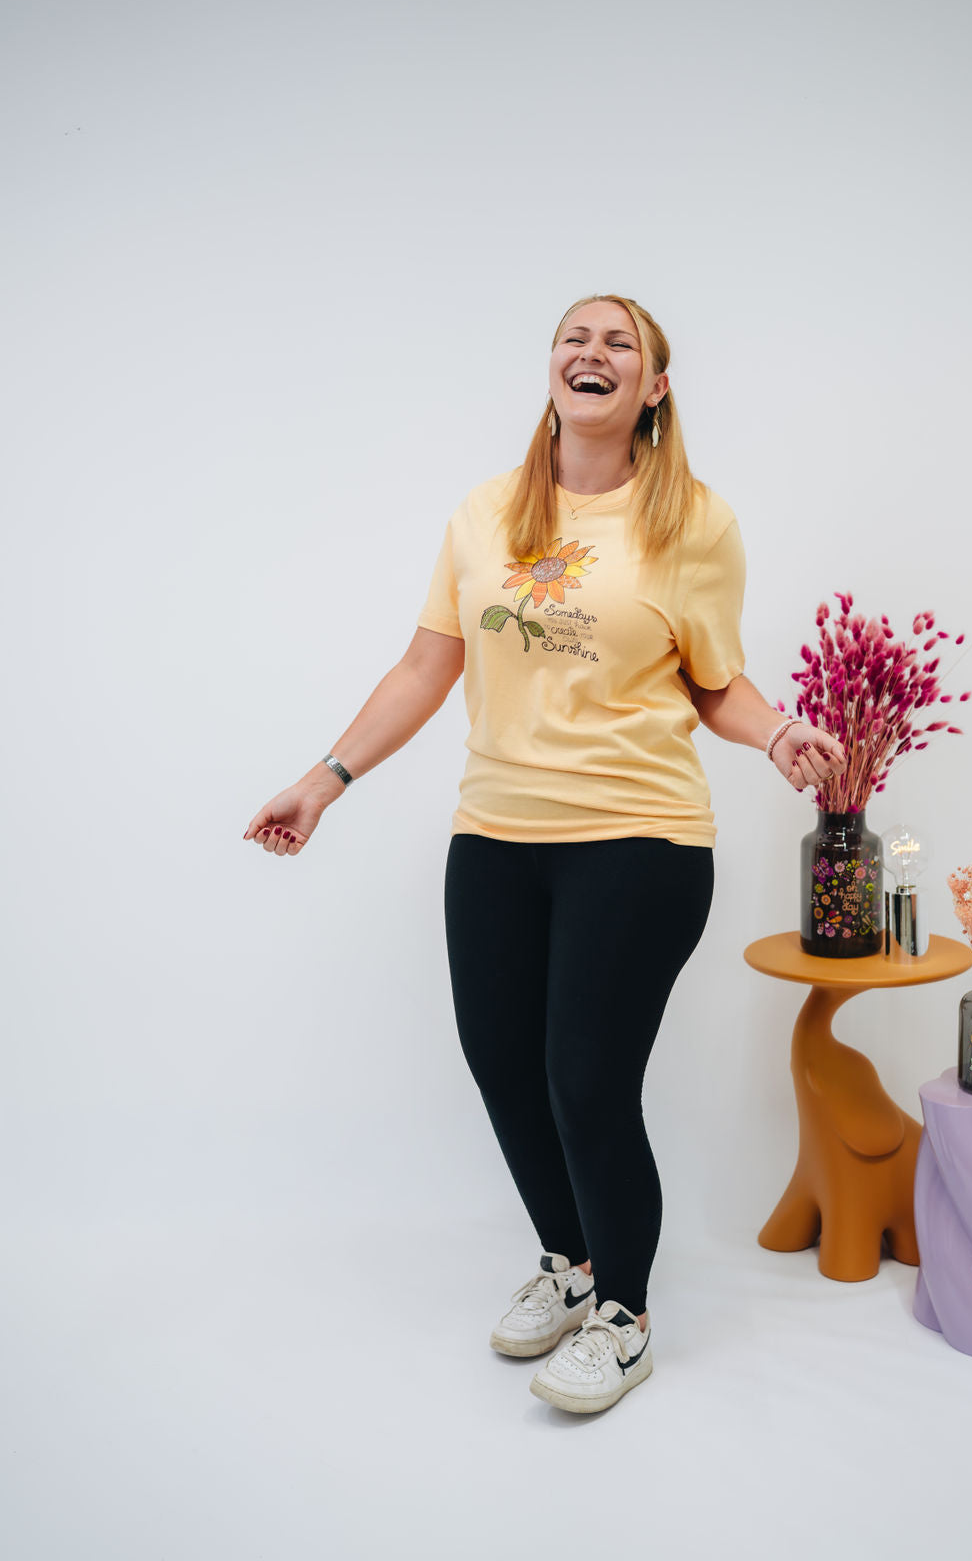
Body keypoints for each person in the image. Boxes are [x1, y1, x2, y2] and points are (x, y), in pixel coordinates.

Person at [242, 294, 845, 1415]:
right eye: (575, 337)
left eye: (620, 343)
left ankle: (625, 1315)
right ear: (552, 370)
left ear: (653, 388)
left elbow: (714, 681)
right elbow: (424, 668)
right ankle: (570, 1262)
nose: (592, 352)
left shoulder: (692, 523)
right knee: (502, 1064)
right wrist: (324, 779)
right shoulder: (485, 514)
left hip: (638, 836)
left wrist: (776, 734)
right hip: (495, 834)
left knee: (585, 1079)